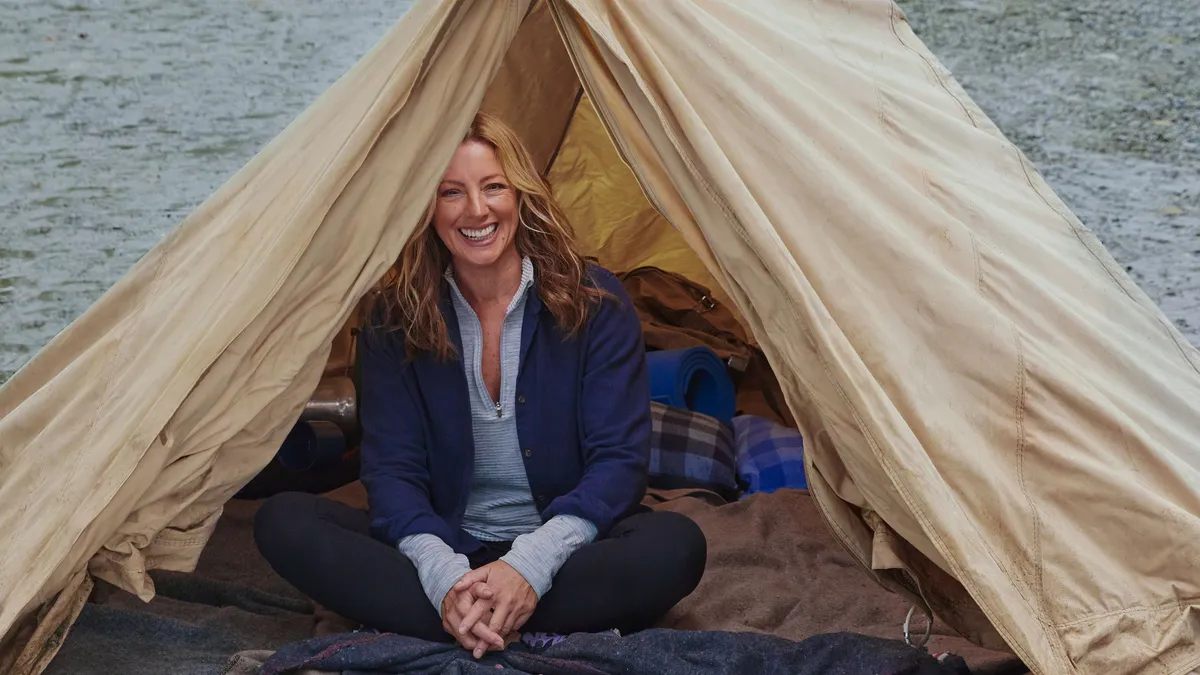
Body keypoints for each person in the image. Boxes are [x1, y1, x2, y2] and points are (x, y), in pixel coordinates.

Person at [254, 111, 707, 657]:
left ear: (519, 195)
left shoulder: (595, 303)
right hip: (446, 545)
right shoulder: (392, 320)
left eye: (493, 187)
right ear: (428, 207)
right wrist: (443, 575)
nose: (476, 210)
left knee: (676, 547)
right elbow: (392, 471)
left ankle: (467, 621)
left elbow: (619, 463)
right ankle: (490, 618)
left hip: (559, 552)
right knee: (284, 522)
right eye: (451, 192)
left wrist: (527, 567)